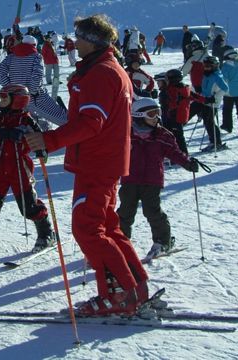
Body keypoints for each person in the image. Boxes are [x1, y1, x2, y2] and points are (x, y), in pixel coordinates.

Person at [23, 14, 150, 317]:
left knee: (87, 228)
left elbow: (92, 122)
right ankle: (135, 286)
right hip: (102, 161)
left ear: (93, 41)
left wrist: (49, 141)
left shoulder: (101, 73)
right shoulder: (102, 69)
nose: (74, 41)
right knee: (107, 227)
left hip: (97, 162)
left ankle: (118, 295)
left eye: (79, 36)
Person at [0, 84, 55, 253]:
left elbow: (40, 141)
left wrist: (27, 140)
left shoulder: (27, 121)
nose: (0, 101)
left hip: (20, 170)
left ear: (17, 100)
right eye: (0, 97)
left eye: (4, 97)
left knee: (28, 205)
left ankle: (46, 233)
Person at [117, 98, 200, 259]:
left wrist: (188, 163)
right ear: (139, 115)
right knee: (125, 212)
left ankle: (163, 241)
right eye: (152, 114)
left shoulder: (162, 135)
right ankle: (120, 240)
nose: (156, 117)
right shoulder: (126, 134)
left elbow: (175, 153)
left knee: (152, 211)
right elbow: (112, 150)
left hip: (152, 180)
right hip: (130, 179)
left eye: (158, 113)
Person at [0, 35, 67, 127]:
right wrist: (33, 91)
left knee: (26, 122)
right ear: (34, 45)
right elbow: (37, 74)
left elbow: (0, 70)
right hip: (36, 97)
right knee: (60, 118)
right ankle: (77, 133)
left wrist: (10, 88)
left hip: (17, 98)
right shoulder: (36, 56)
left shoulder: (11, 57)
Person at [198, 56, 229, 151]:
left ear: (214, 66)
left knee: (209, 123)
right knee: (208, 123)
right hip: (205, 101)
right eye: (205, 66)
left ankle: (216, 143)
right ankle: (214, 142)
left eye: (209, 66)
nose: (206, 68)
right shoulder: (206, 75)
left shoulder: (217, 76)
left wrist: (214, 98)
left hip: (212, 103)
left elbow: (225, 88)